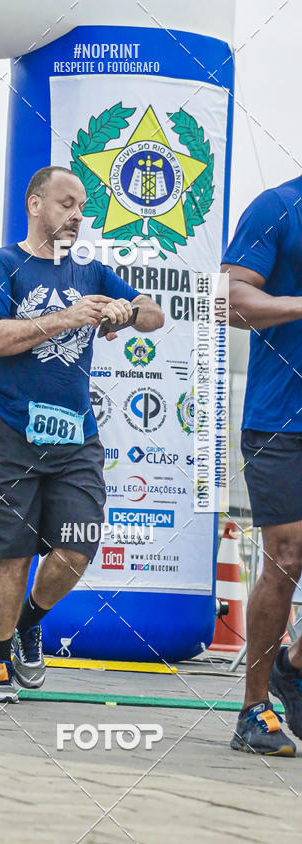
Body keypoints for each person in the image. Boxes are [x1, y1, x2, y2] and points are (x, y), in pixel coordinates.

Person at [0, 165, 164, 702]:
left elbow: (156, 315)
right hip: (6, 429)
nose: (77, 216)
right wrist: (65, 318)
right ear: (36, 205)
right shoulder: (3, 265)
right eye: (66, 203)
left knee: (77, 547)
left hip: (75, 434)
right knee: (10, 553)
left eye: (82, 208)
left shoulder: (93, 272)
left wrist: (129, 311)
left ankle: (30, 623)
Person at [222, 177, 302, 757]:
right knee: (290, 557)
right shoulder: (277, 208)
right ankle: (253, 710)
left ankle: (293, 664)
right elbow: (230, 303)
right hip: (282, 421)